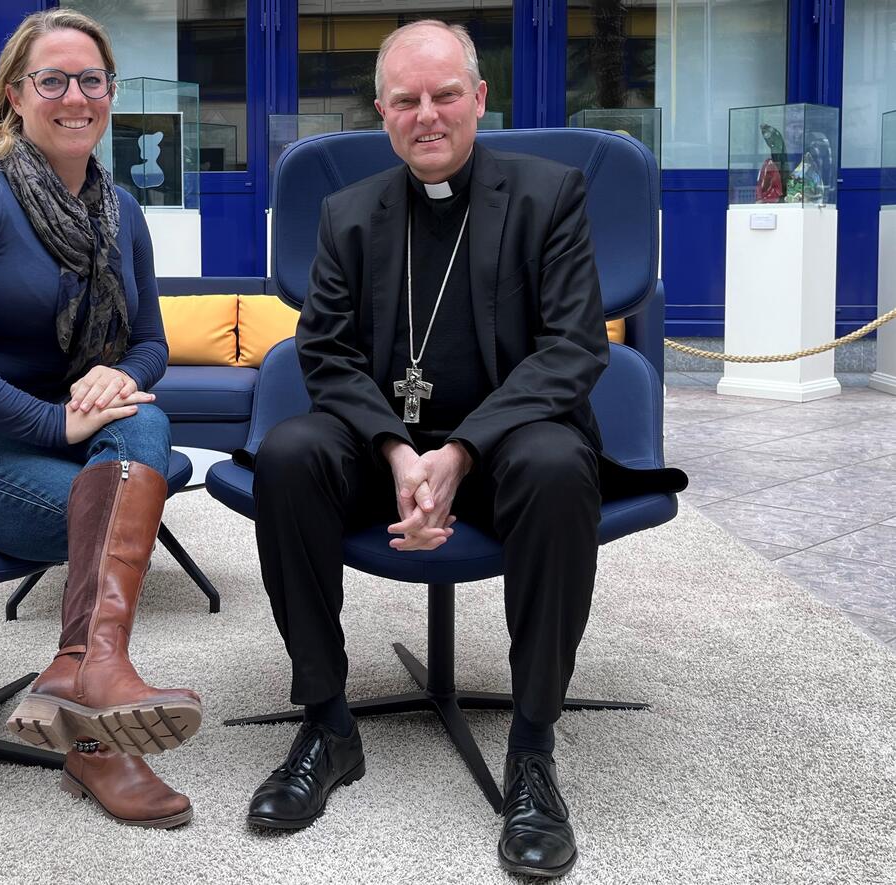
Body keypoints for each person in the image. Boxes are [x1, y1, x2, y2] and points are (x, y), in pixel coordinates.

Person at [246, 19, 685, 877]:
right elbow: (325, 353)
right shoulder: (348, 214)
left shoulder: (549, 195)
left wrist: (460, 452)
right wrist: (398, 453)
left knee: (561, 465)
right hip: (382, 456)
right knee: (291, 453)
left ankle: (531, 750)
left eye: (446, 94)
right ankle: (329, 724)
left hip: (511, 451)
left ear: (479, 99)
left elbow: (572, 349)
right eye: (406, 100)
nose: (428, 115)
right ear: (382, 113)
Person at [0, 9, 199, 830]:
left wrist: (110, 377)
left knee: (141, 420)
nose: (74, 96)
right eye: (53, 80)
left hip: (53, 420)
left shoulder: (120, 207)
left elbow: (152, 343)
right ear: (17, 94)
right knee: (116, 503)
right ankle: (98, 731)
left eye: (91, 80)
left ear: (113, 94)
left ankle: (83, 669)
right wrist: (57, 428)